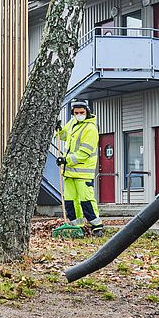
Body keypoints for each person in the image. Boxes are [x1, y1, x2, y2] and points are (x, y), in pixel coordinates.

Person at [55, 99, 103, 237]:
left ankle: (97, 226)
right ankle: (78, 227)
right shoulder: (72, 123)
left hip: (83, 173)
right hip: (69, 172)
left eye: (81, 112)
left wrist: (66, 160)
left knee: (86, 201)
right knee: (71, 201)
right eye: (76, 113)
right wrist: (59, 129)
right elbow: (64, 136)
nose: (79, 114)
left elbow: (84, 152)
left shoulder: (91, 129)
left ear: (87, 112)